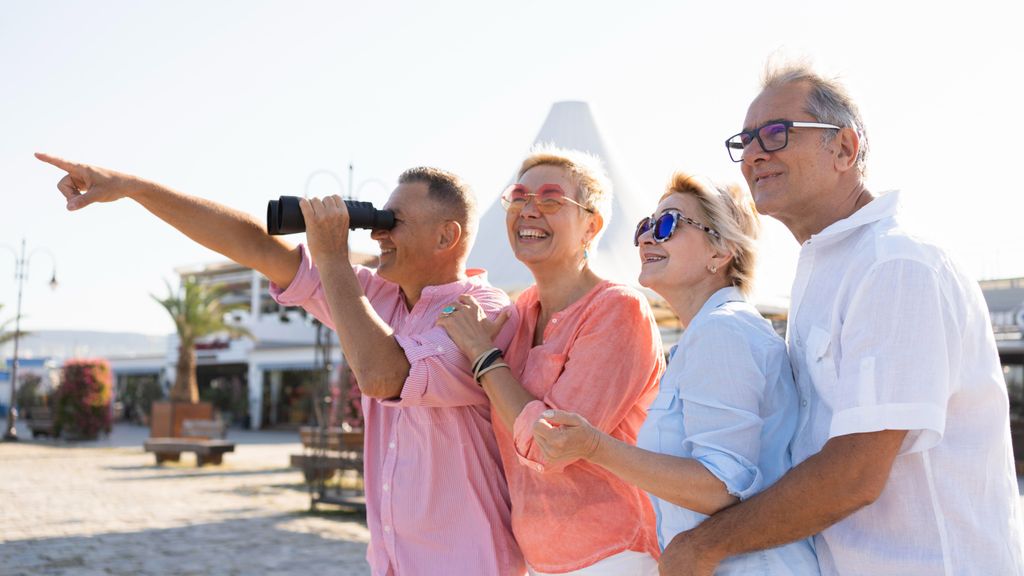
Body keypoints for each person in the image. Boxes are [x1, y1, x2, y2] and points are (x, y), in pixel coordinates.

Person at [35, 154, 525, 576]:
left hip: (468, 562)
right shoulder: (381, 300)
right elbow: (254, 246)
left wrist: (332, 257)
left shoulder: (482, 311)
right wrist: (135, 188)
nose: (378, 231)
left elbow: (383, 376)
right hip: (395, 562)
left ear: (447, 236)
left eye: (393, 221)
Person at [658, 62, 1024, 575]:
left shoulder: (895, 266)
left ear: (845, 149)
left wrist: (705, 546)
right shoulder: (830, 270)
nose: (755, 153)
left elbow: (855, 472)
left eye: (776, 134)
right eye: (745, 141)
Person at [530, 173, 819, 575]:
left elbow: (720, 487)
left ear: (720, 253)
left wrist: (594, 447)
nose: (648, 238)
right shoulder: (710, 333)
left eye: (668, 224)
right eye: (645, 227)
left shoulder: (723, 331)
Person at [437, 146, 663, 575]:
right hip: (536, 557)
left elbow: (551, 445)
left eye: (552, 200)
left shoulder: (619, 309)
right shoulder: (520, 311)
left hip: (613, 555)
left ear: (591, 227)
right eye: (519, 197)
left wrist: (484, 356)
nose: (529, 210)